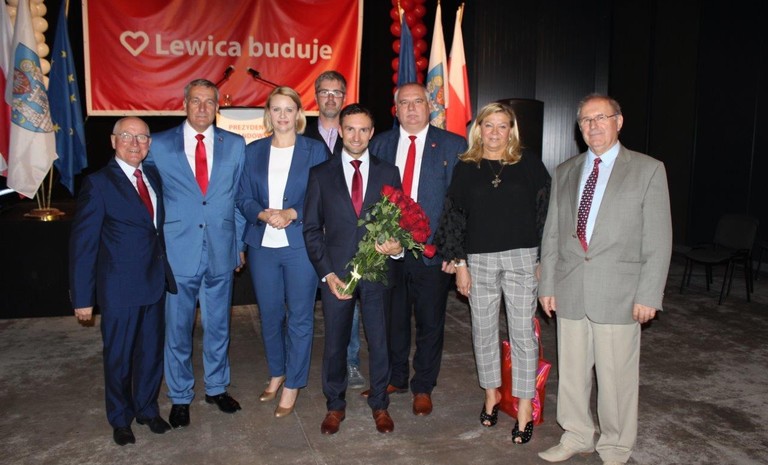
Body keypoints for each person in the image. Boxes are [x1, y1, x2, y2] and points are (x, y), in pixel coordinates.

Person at [537, 94, 672, 464]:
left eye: (601, 117)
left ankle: (615, 446)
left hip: (620, 292)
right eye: (585, 120)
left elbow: (659, 239)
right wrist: (547, 285)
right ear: (579, 127)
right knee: (572, 374)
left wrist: (649, 294)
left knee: (616, 378)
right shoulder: (565, 170)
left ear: (619, 121)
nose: (593, 126)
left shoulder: (648, 170)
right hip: (570, 288)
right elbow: (552, 234)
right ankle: (577, 435)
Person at [435, 102, 550, 443]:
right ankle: (491, 394)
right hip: (479, 259)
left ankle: (525, 405)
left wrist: (544, 258)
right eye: (489, 125)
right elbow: (454, 216)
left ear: (511, 130)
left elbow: (546, 211)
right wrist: (460, 264)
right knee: (483, 332)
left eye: (502, 125)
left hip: (522, 258)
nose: (495, 132)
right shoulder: (466, 166)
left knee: (523, 335)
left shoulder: (529, 163)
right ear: (479, 129)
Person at [145, 78, 247, 429]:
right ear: (184, 104)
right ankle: (180, 396)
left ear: (218, 107)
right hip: (178, 253)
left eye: (209, 102)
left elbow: (238, 200)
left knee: (219, 325)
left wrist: (239, 244)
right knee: (177, 329)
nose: (202, 107)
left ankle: (217, 387)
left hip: (221, 250)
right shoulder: (159, 145)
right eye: (196, 101)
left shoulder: (235, 144)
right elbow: (146, 196)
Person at [69, 117, 177, 446]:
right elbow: (83, 244)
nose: (135, 143)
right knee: (118, 358)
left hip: (154, 284)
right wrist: (83, 297)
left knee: (150, 354)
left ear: (149, 144)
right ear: (113, 140)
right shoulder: (98, 184)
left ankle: (147, 409)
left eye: (142, 138)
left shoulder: (153, 177)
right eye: (127, 136)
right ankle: (120, 419)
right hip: (119, 289)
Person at [365, 82, 467, 416]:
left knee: (429, 323)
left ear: (430, 106)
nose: (411, 108)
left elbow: (459, 205)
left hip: (432, 253)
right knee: (392, 320)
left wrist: (454, 252)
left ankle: (423, 385)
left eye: (418, 101)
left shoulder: (453, 145)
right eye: (404, 103)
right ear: (395, 110)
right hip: (389, 252)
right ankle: (396, 378)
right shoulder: (379, 144)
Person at [303, 104, 403, 434]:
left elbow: (399, 221)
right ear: (340, 131)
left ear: (372, 133)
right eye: (350, 129)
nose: (356, 136)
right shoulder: (320, 174)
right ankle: (334, 405)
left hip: (377, 272)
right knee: (334, 343)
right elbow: (311, 229)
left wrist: (397, 247)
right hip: (338, 275)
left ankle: (380, 404)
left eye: (363, 129)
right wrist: (328, 274)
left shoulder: (389, 172)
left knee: (380, 341)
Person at [236, 86, 328, 417]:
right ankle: (277, 372)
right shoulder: (253, 150)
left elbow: (324, 195)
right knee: (270, 314)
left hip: (300, 245)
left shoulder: (315, 150)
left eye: (289, 109)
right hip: (262, 246)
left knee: (300, 316)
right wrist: (262, 214)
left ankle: (294, 384)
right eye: (276, 109)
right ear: (268, 114)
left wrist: (292, 213)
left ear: (299, 114)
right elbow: (243, 196)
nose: (283, 115)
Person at [303, 71, 366, 390]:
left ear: (344, 97)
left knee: (347, 304)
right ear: (315, 96)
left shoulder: (355, 135)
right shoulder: (299, 134)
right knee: (301, 309)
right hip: (307, 236)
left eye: (337, 92)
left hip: (345, 242)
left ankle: (349, 362)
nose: (331, 98)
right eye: (325, 92)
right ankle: (296, 367)